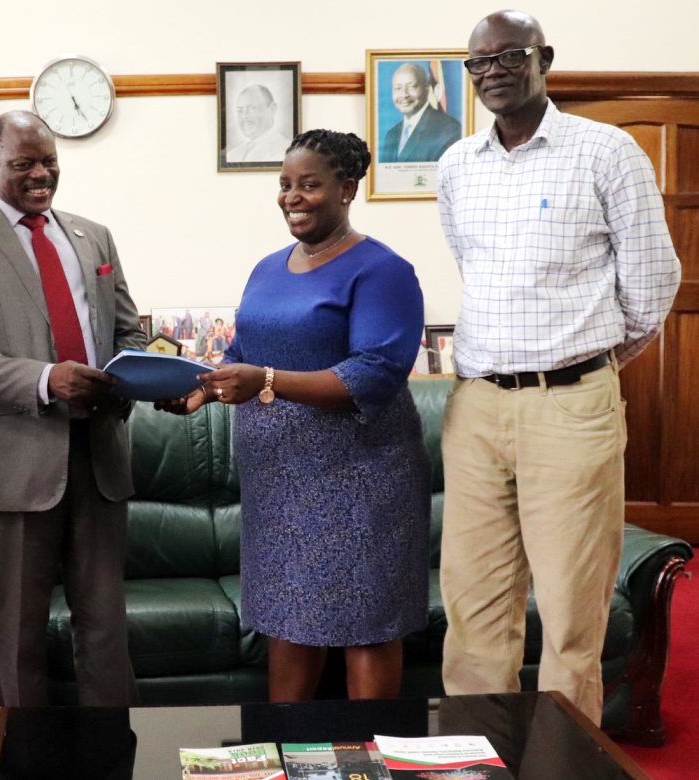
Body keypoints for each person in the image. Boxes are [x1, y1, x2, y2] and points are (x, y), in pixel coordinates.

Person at [437, 11, 681, 724]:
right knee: (474, 607)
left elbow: (652, 287)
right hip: (475, 403)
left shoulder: (607, 153)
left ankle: (561, 763)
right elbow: (474, 269)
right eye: (478, 63)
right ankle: (477, 757)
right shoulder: (458, 166)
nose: (492, 73)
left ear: (545, 57)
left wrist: (585, 364)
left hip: (571, 404)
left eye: (508, 56)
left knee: (573, 613)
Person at [157, 130, 429, 704]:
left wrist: (270, 382)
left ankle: (372, 756)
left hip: (360, 478)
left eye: (310, 184)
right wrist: (199, 390)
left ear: (347, 189)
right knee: (288, 613)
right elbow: (242, 354)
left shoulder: (383, 270)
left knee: (368, 619)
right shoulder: (267, 269)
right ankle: (288, 749)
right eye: (285, 185)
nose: (292, 197)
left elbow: (374, 374)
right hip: (279, 483)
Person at [0, 110, 147, 708]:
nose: (41, 174)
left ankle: (115, 758)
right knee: (21, 632)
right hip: (20, 464)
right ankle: (26, 757)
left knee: (104, 625)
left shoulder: (94, 235)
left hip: (100, 455)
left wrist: (137, 371)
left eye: (49, 161)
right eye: (24, 163)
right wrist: (49, 380)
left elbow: (130, 330)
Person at [379, 63, 462, 163]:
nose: (404, 94)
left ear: (427, 89)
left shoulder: (448, 130)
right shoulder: (391, 135)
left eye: (412, 87)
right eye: (398, 88)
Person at [225, 84, 291, 164]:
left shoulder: (289, 151)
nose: (244, 116)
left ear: (272, 109)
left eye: (252, 108)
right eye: (240, 110)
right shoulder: (232, 156)